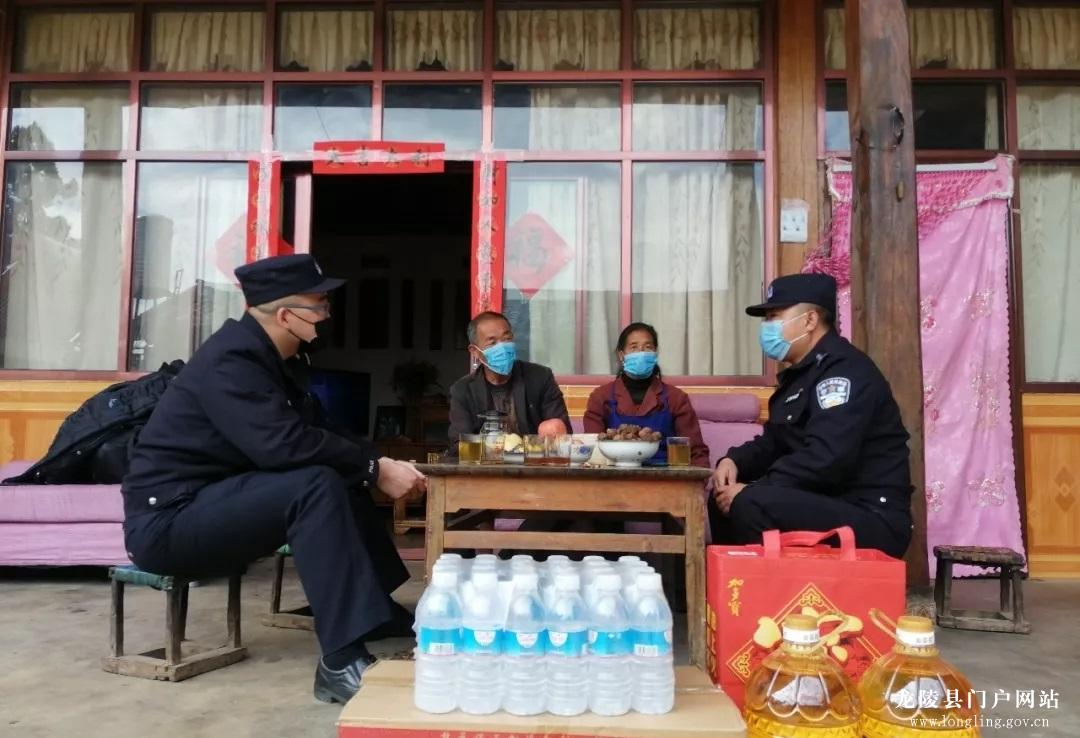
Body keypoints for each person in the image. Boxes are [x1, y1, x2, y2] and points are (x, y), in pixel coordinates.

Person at [121, 254, 427, 705]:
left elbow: (320, 430)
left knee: (341, 475)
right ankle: (340, 661)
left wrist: (378, 462)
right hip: (169, 522)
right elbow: (280, 446)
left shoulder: (270, 359)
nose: (327, 314)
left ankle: (375, 610)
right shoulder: (230, 362)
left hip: (211, 502)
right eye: (320, 305)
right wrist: (375, 470)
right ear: (286, 315)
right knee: (315, 484)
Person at [710, 273, 913, 559]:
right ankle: (738, 584)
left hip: (871, 514)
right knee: (723, 496)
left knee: (749, 502)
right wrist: (734, 461)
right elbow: (775, 442)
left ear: (809, 320)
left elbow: (827, 457)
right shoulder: (801, 376)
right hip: (830, 502)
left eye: (774, 316)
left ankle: (773, 587)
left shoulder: (844, 372)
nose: (767, 326)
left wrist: (756, 488)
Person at [583, 322, 710, 467]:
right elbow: (594, 451)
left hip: (667, 476)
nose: (641, 352)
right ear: (621, 355)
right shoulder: (601, 397)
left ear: (655, 353)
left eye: (648, 347)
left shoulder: (676, 398)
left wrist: (698, 478)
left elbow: (695, 452)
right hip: (615, 475)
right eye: (634, 347)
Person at [446, 311, 572, 447]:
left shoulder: (540, 377)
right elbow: (460, 441)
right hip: (486, 458)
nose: (502, 347)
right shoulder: (462, 390)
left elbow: (561, 429)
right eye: (492, 343)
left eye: (507, 339)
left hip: (534, 455)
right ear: (475, 351)